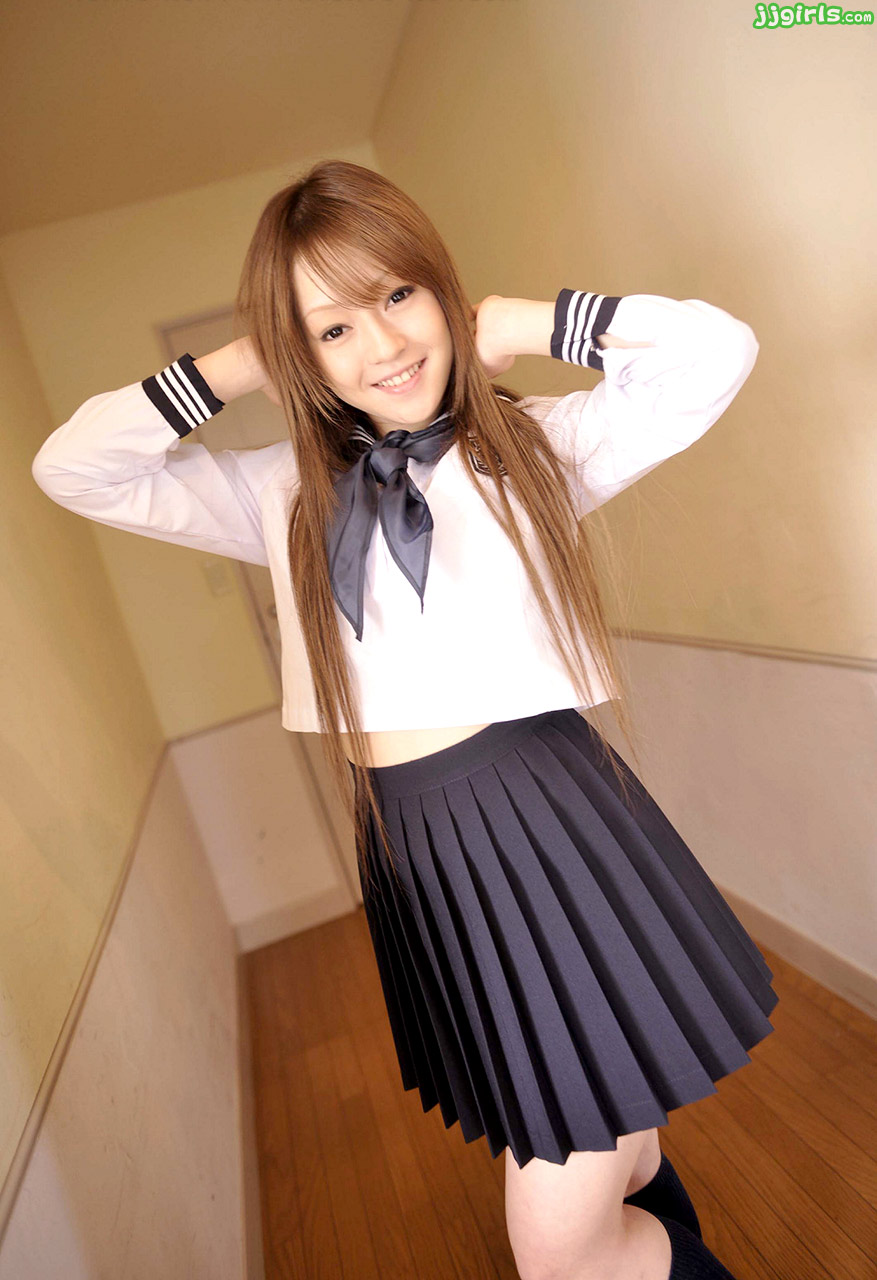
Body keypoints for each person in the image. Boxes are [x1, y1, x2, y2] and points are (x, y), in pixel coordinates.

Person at [32, 160, 777, 1280]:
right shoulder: (277, 494)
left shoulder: (531, 451)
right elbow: (73, 467)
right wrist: (245, 360)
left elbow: (714, 350)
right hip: (411, 844)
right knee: (595, 1125)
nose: (380, 345)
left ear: (439, 289)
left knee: (560, 1245)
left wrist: (526, 321)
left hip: (541, 818)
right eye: (332, 329)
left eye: (396, 295)